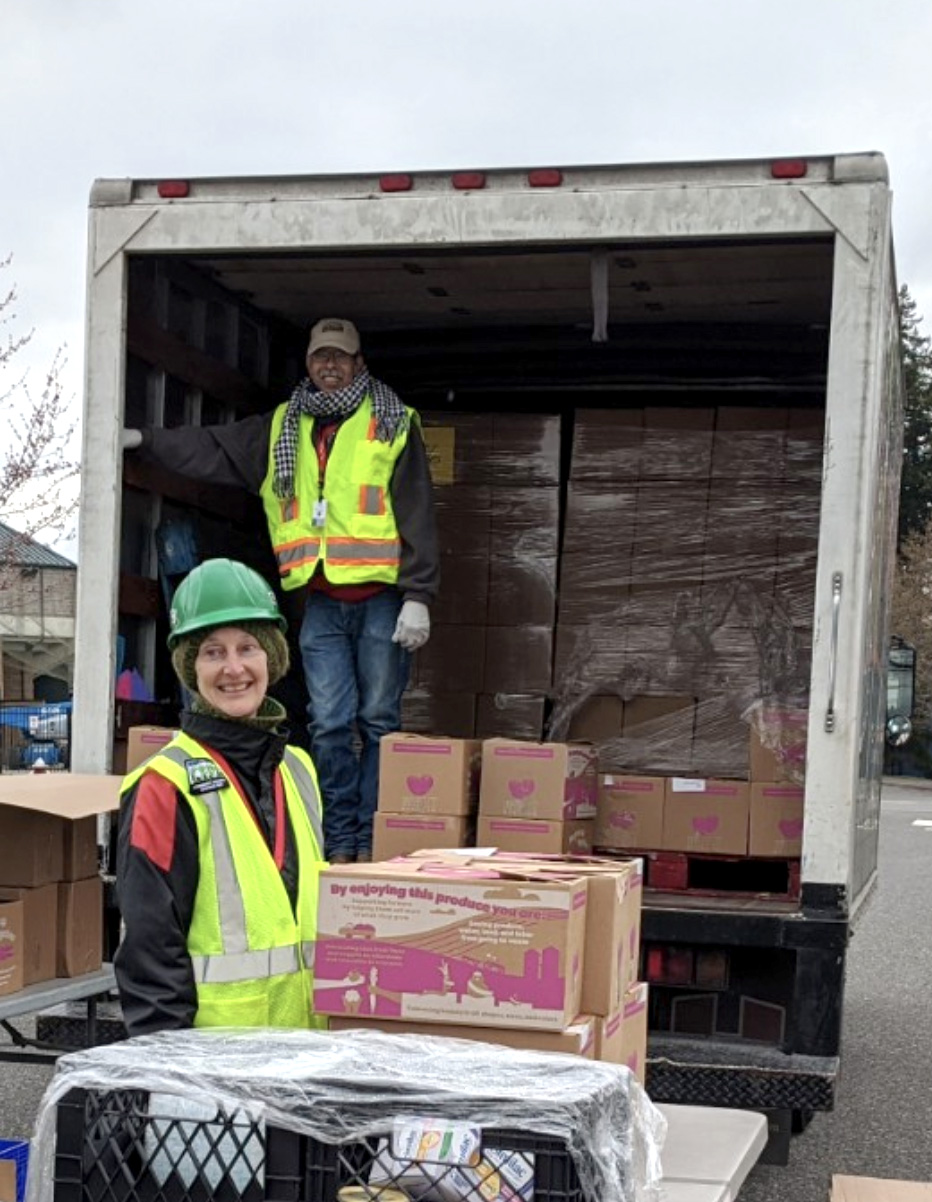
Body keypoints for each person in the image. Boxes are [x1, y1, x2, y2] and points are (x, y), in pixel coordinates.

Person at [123, 318, 439, 863]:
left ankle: (370, 838)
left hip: (381, 600)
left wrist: (419, 594)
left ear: (359, 364)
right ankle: (339, 841)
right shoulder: (280, 429)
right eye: (322, 358)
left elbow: (417, 510)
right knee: (330, 723)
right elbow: (211, 447)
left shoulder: (392, 422)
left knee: (379, 721)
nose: (331, 366)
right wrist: (145, 441)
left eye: (341, 356)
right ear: (310, 365)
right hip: (319, 604)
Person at [114, 557, 327, 1035]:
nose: (234, 669)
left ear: (270, 657)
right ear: (191, 670)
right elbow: (150, 950)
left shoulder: (299, 769)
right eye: (212, 652)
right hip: (217, 1075)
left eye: (247, 647)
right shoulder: (165, 785)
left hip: (306, 1058)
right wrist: (167, 1074)